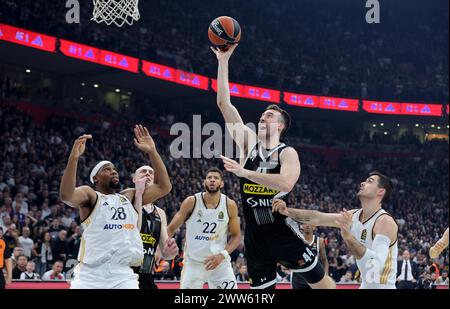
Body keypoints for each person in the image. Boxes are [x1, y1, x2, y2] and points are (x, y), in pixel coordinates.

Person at [211, 45, 334, 289]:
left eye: (269, 117)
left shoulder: (287, 153)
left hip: (283, 232)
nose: (262, 119)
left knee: (323, 285)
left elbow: (286, 183)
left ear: (280, 126)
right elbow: (225, 104)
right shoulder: (248, 144)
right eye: (262, 116)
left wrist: (244, 172)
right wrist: (223, 60)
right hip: (255, 238)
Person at [60, 125, 172, 289]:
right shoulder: (90, 195)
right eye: (107, 169)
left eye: (114, 169)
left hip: (122, 275)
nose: (113, 171)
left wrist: (152, 152)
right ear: (96, 179)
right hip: (89, 275)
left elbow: (164, 187)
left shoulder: (130, 197)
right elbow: (67, 196)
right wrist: (73, 159)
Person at [273, 171, 398, 289]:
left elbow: (375, 265)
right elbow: (317, 217)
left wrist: (348, 237)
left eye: (369, 181)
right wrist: (287, 211)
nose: (362, 183)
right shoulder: (353, 216)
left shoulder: (384, 222)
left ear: (380, 191)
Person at [167, 167, 241, 289]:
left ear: (221, 183)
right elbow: (171, 228)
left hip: (219, 262)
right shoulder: (191, 202)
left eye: (216, 178)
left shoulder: (230, 205)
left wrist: (222, 255)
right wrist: (161, 247)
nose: (212, 180)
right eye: (209, 178)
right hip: (194, 263)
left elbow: (236, 236)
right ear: (204, 182)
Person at [129, 165, 179, 289]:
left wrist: (170, 252)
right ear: (134, 179)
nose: (147, 174)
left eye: (151, 172)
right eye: (143, 171)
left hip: (147, 275)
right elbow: (134, 230)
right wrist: (138, 196)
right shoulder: (126, 202)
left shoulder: (160, 213)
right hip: (125, 274)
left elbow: (165, 252)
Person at [291, 223, 329, 289]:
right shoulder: (295, 239)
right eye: (305, 223)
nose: (308, 225)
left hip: (313, 279)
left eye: (310, 224)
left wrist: (326, 276)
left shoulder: (319, 241)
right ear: (301, 226)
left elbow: (324, 260)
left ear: (314, 227)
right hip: (297, 278)